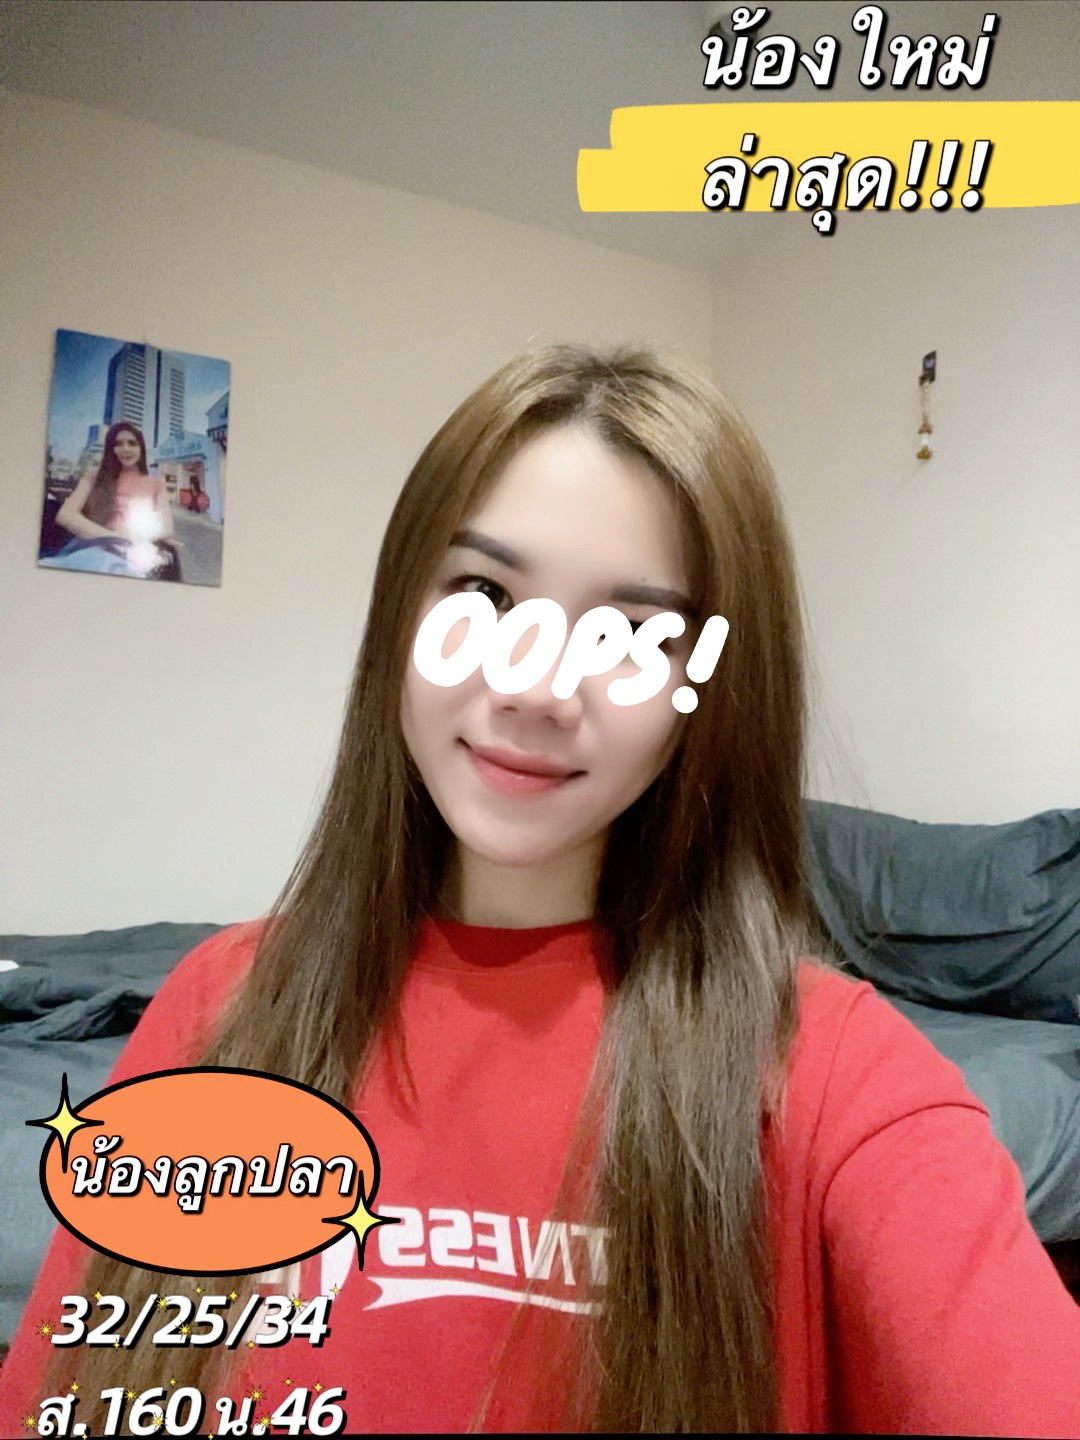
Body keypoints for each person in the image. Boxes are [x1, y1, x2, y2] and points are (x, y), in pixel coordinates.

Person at [3, 345, 1078, 1436]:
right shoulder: (220, 1000)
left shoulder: (841, 1076)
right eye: (482, 594)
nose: (534, 686)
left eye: (634, 634)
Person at [52, 422, 180, 580]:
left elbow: (166, 527)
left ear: (141, 447)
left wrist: (135, 539)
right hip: (93, 548)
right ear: (110, 449)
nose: (125, 449)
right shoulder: (94, 477)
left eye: (132, 443)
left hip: (134, 555)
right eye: (118, 444)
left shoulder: (156, 483)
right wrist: (113, 537)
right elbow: (65, 515)